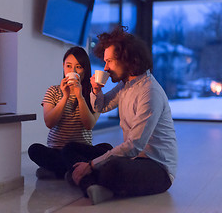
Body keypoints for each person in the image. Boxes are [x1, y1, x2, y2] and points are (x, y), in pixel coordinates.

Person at [62, 26, 178, 205]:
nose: (106, 67)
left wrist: (92, 165)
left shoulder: (150, 91)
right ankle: (95, 186)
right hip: (132, 159)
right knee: (71, 149)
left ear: (128, 60)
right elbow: (102, 106)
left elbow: (134, 145)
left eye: (109, 61)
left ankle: (86, 180)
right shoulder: (126, 85)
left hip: (156, 168)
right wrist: (95, 89)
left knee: (111, 168)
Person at [28, 46, 112, 179]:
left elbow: (89, 124)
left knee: (106, 148)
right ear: (63, 66)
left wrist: (80, 97)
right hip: (57, 150)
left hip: (80, 150)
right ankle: (80, 169)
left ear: (85, 70)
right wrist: (65, 97)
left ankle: (59, 172)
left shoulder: (94, 94)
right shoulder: (53, 91)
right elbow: (49, 122)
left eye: (78, 67)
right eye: (68, 66)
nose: (72, 71)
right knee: (34, 149)